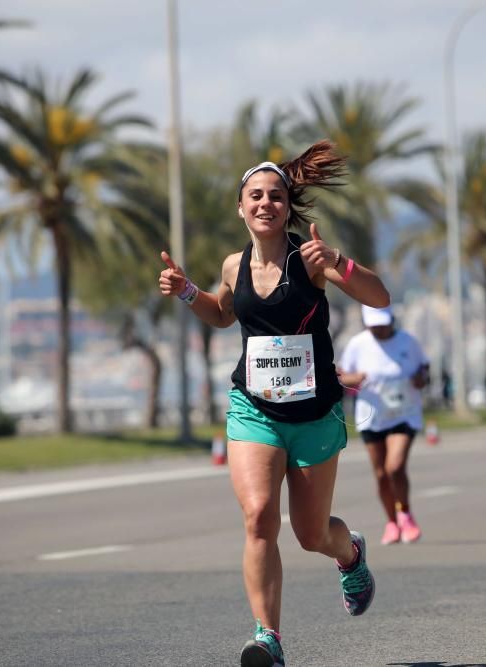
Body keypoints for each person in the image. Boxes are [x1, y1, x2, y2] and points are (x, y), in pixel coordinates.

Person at [158, 141, 389, 667]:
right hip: (253, 408)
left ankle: (349, 553)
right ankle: (268, 638)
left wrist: (337, 262)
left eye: (276, 196)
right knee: (260, 516)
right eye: (255, 196)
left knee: (310, 535)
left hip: (314, 414)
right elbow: (223, 315)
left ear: (288, 206)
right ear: (240, 207)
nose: (266, 203)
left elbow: (380, 298)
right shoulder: (233, 264)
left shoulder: (308, 262)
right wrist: (188, 291)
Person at [338, 304, 429, 545]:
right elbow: (341, 376)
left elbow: (424, 367)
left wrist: (421, 379)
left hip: (404, 413)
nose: (378, 329)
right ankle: (392, 522)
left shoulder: (408, 341)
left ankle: (406, 514)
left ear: (391, 320)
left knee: (395, 467)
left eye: (382, 323)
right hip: (372, 416)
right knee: (380, 474)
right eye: (373, 324)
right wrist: (353, 379)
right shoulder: (358, 344)